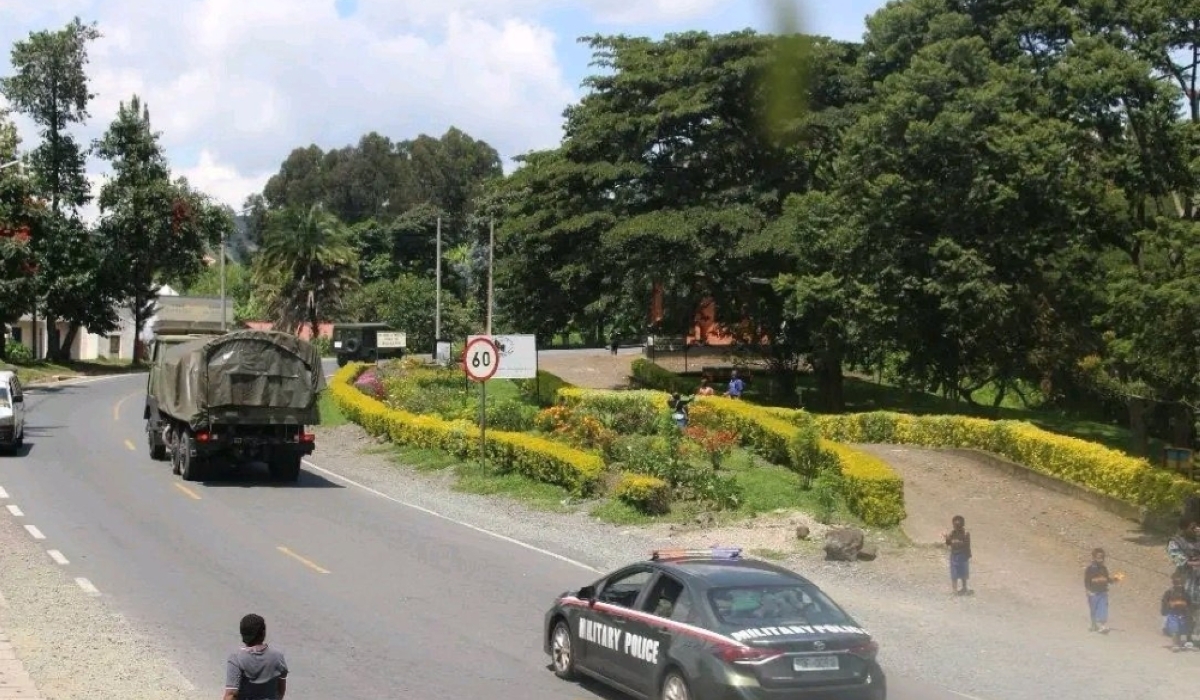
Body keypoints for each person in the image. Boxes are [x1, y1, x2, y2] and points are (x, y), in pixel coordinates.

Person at [224, 614, 288, 700]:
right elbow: (280, 691)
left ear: (242, 634)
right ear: (263, 633)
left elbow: (231, 694)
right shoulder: (278, 657)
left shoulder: (236, 659)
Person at [1084, 547, 1118, 633]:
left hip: (1103, 592)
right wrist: (1088, 590)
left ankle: (1102, 626)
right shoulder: (1090, 569)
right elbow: (1087, 581)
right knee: (1093, 609)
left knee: (1103, 608)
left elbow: (1107, 579)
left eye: (1102, 557)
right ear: (1094, 558)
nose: (1101, 559)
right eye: (1099, 557)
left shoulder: (1104, 569)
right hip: (1093, 593)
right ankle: (1094, 625)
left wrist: (1114, 580)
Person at [1162, 572, 1195, 650]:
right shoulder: (1169, 592)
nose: (1179, 584)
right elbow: (1165, 602)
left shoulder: (1186, 593)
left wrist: (1187, 608)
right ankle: (1175, 644)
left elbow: (1189, 603)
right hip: (1173, 613)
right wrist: (1169, 606)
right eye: (1176, 582)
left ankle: (1185, 641)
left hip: (1184, 614)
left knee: (1183, 627)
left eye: (1181, 582)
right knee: (1174, 629)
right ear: (1173, 582)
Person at [943, 515, 972, 595]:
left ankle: (964, 588)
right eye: (955, 525)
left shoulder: (966, 533)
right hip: (954, 555)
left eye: (958, 525)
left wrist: (954, 542)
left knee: (963, 573)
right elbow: (948, 543)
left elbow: (966, 544)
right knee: (954, 573)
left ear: (962, 525)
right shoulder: (952, 533)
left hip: (963, 555)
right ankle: (954, 590)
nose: (956, 527)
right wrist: (947, 538)